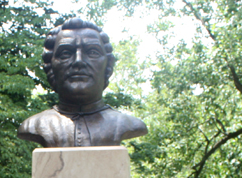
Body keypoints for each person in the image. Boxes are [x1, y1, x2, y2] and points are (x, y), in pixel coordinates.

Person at [18, 17, 147, 147]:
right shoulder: (35, 126)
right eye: (65, 54)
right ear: (51, 66)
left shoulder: (126, 124)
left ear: (107, 65)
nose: (78, 61)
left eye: (92, 52)